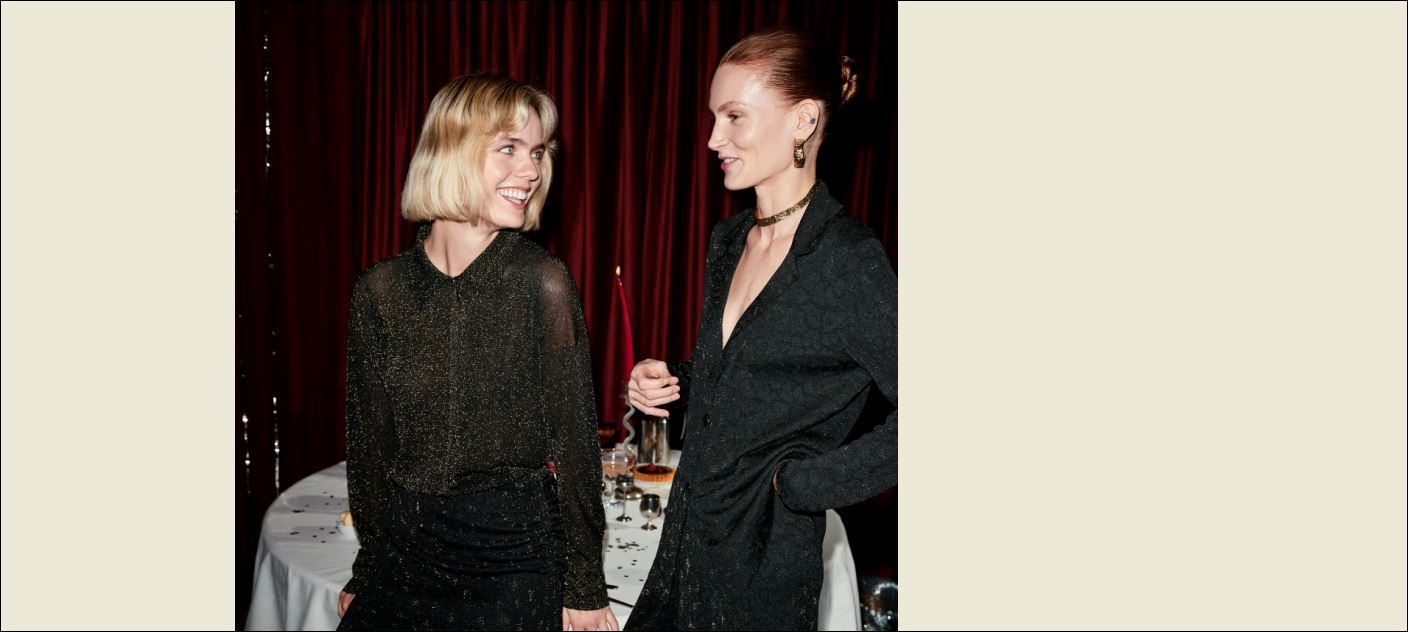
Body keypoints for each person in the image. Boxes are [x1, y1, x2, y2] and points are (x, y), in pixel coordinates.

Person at [623, 25, 897, 631]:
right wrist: (672, 380)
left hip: (763, 563)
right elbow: (745, 378)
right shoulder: (729, 241)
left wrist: (802, 485)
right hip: (688, 537)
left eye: (734, 117)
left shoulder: (846, 259)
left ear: (803, 121)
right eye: (713, 117)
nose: (713, 138)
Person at [336, 72, 617, 631]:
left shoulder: (541, 281)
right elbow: (370, 447)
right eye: (509, 148)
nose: (532, 170)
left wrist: (584, 585)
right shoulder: (381, 290)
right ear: (451, 152)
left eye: (537, 151)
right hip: (405, 553)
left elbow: (576, 446)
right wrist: (368, 566)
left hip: (514, 557)